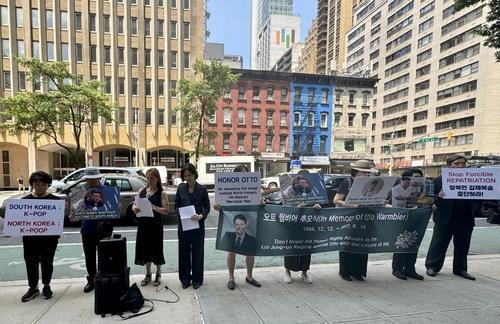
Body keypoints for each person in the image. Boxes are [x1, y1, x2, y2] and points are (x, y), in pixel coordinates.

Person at [425, 154, 476, 280]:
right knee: (438, 244)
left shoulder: (473, 178)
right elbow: (429, 199)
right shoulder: (438, 180)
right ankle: (432, 267)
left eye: (463, 164)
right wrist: (439, 196)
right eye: (456, 164)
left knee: (462, 245)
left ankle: (460, 269)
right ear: (449, 165)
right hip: (444, 217)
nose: (460, 166)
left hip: (465, 217)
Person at [214, 164, 261, 290]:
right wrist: (218, 207)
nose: (243, 177)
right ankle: (231, 277)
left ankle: (249, 277)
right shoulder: (228, 188)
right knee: (231, 251)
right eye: (240, 174)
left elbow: (258, 203)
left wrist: (261, 203)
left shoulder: (253, 187)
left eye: (245, 174)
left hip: (249, 220)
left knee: (250, 251)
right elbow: (223, 206)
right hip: (232, 221)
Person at [71, 168, 114, 293]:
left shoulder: (108, 190)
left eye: (93, 179)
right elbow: (75, 210)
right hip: (87, 228)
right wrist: (73, 215)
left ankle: (102, 279)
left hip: (104, 228)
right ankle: (91, 279)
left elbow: (112, 209)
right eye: (88, 179)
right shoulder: (81, 191)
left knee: (104, 255)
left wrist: (114, 209)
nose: (90, 181)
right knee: (89, 255)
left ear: (98, 178)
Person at [333, 159, 376, 281]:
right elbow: (336, 200)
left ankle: (358, 272)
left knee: (362, 243)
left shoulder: (371, 184)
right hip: (348, 218)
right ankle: (345, 272)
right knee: (347, 244)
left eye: (368, 173)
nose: (367, 175)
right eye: (364, 173)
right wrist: (353, 205)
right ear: (356, 172)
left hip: (364, 218)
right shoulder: (347, 183)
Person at [20, 171, 60, 302]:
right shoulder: (24, 201)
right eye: (36, 184)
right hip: (30, 239)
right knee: (30, 263)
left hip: (49, 240)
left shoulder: (55, 201)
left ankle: (46, 286)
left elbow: (59, 222)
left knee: (47, 262)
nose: (40, 187)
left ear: (47, 185)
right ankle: (33, 287)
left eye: (43, 184)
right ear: (32, 184)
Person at [175, 163, 210, 289]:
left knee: (197, 253)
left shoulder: (202, 189)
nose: (188, 178)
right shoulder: (180, 188)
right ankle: (185, 279)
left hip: (198, 225)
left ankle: (197, 279)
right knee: (183, 252)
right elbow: (176, 205)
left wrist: (201, 216)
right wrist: (182, 215)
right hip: (184, 226)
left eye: (189, 175)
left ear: (194, 175)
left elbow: (207, 207)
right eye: (185, 176)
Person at [132, 168, 170, 286]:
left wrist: (154, 207)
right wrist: (135, 209)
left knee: (156, 248)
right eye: (148, 178)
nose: (149, 181)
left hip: (155, 225)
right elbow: (134, 205)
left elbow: (167, 210)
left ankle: (158, 273)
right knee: (145, 248)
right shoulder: (141, 191)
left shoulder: (162, 193)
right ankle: (148, 273)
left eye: (152, 179)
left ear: (157, 179)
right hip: (143, 225)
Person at [391, 168, 426, 281]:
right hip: (401, 217)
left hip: (416, 217)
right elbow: (396, 199)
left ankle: (410, 269)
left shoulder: (420, 189)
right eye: (414, 177)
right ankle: (397, 269)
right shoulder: (396, 188)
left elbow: (426, 200)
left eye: (419, 177)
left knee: (413, 242)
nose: (416, 180)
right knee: (401, 243)